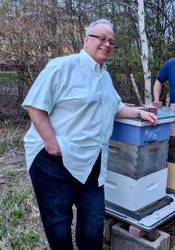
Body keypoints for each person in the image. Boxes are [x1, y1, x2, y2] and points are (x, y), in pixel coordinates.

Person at [22, 19, 157, 250]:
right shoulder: (62, 66)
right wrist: (51, 142)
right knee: (58, 223)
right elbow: (35, 106)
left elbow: (115, 107)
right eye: (102, 38)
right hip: (53, 160)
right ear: (87, 39)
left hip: (92, 161)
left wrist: (139, 113)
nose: (107, 44)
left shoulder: (104, 76)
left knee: (93, 222)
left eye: (111, 41)